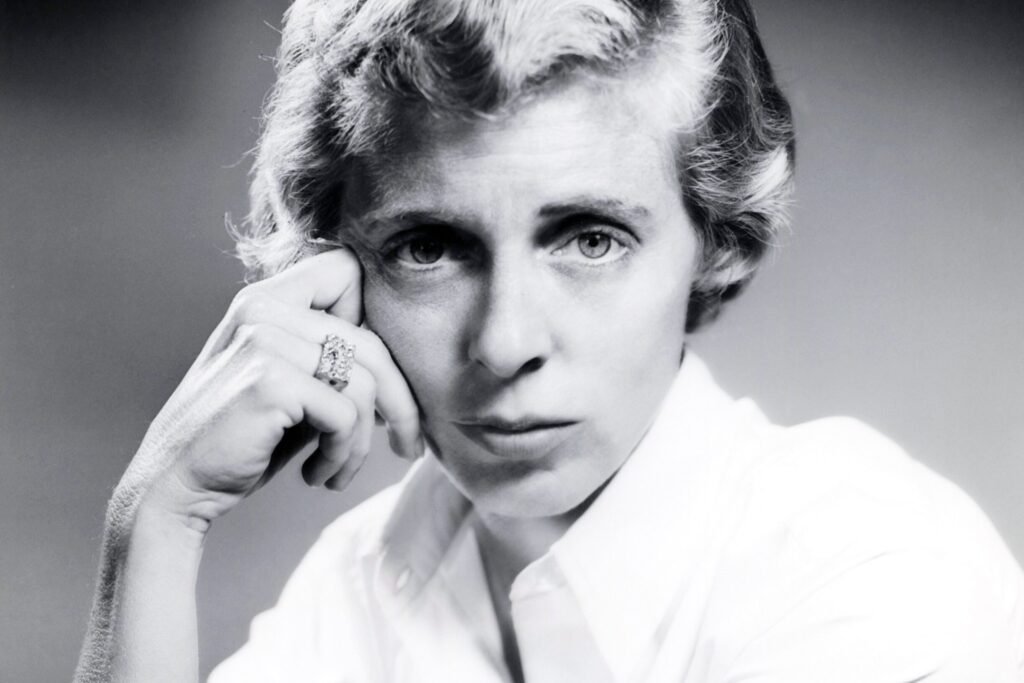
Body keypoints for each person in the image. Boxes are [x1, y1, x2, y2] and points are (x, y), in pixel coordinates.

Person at [74, 0, 1024, 681]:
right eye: (429, 246)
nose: (505, 342)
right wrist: (157, 518)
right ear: (332, 274)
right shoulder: (361, 582)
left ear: (715, 241)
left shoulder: (879, 569)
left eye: (589, 239)